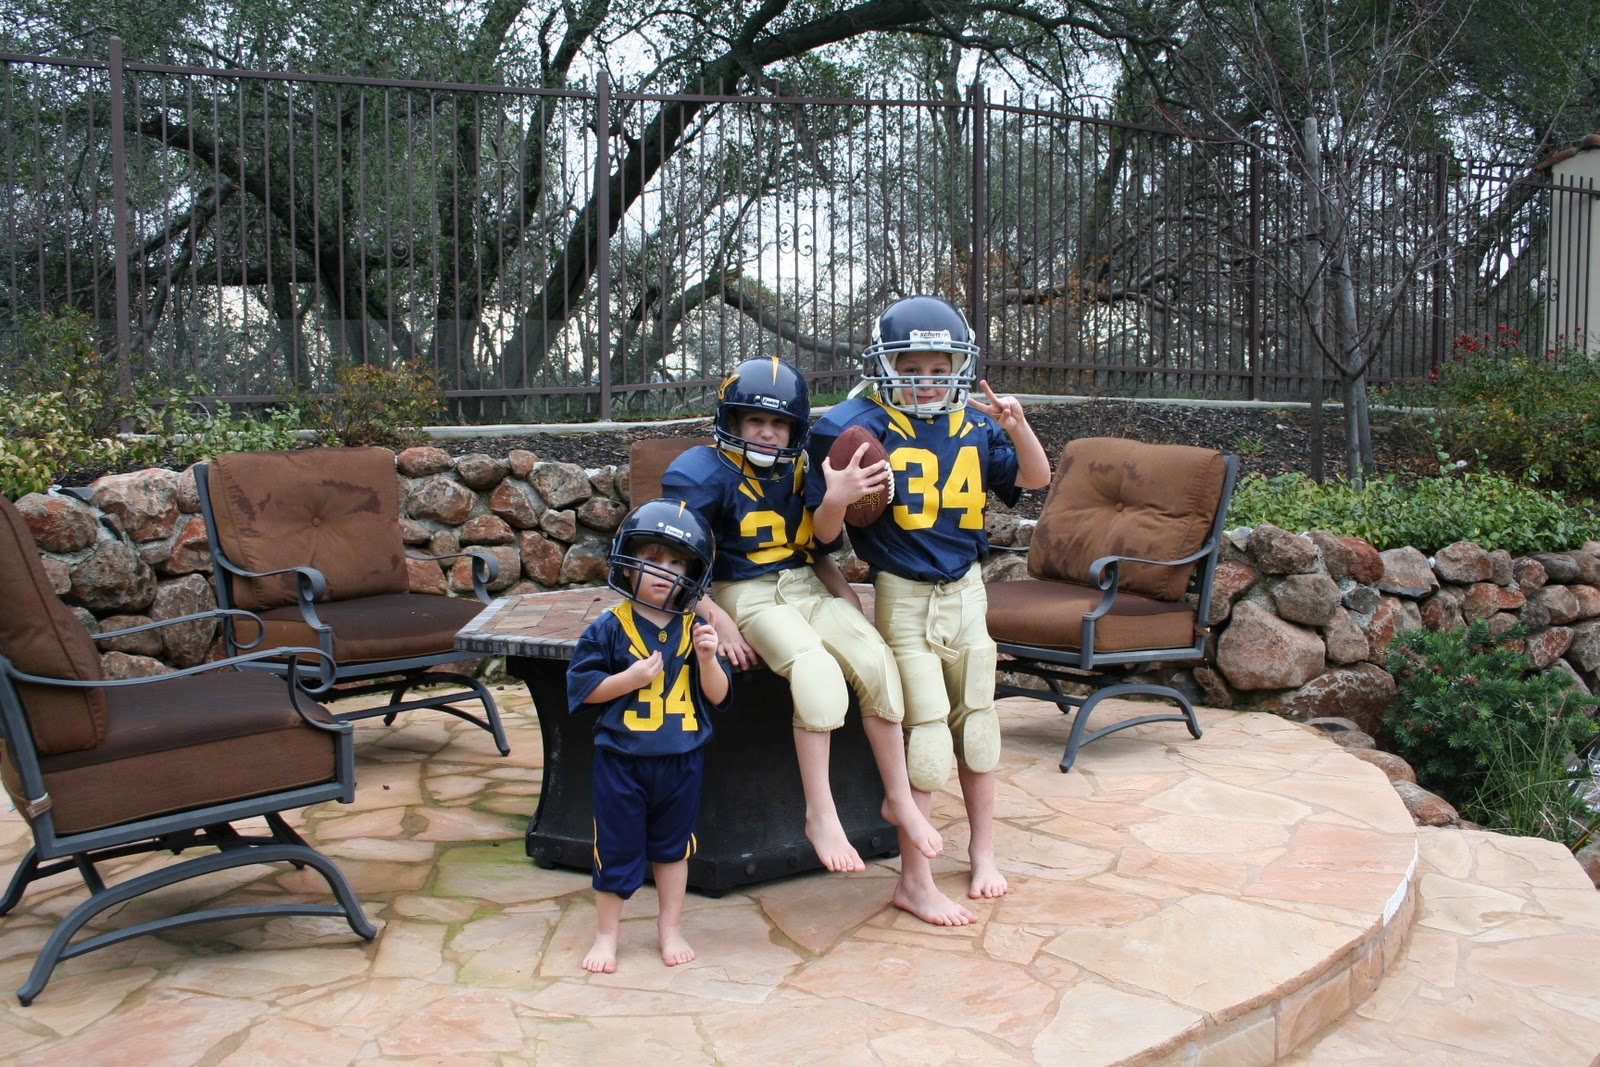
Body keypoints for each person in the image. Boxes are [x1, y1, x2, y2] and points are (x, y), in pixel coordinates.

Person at [808, 294, 1052, 925]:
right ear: (884, 366)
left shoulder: (977, 424)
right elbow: (824, 537)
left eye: (939, 369)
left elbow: (1036, 479)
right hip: (904, 594)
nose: (925, 380)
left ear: (959, 367)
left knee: (979, 724)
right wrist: (838, 497)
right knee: (926, 732)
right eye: (910, 368)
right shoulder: (855, 427)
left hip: (967, 590)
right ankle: (915, 880)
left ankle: (983, 851)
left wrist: (1018, 426)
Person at [660, 355, 944, 876]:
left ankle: (898, 797)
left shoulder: (802, 469)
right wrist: (715, 616)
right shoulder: (701, 472)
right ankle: (821, 813)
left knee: (876, 659)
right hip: (743, 592)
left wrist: (843, 593)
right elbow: (673, 559)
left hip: (804, 585)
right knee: (816, 670)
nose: (768, 433)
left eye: (779, 422)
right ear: (731, 419)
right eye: (755, 420)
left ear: (796, 428)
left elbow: (815, 550)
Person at [567, 498, 731, 973]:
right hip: (621, 760)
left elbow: (719, 697)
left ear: (692, 572)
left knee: (674, 849)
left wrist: (707, 660)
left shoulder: (697, 628)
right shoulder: (608, 628)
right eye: (653, 558)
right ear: (627, 562)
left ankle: (670, 927)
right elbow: (584, 692)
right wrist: (628, 680)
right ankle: (606, 935)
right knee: (615, 850)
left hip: (682, 759)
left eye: (677, 562)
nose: (665, 570)